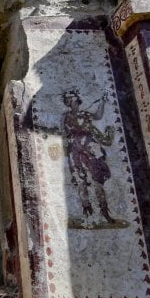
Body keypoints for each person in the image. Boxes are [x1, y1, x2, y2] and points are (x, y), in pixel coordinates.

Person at [60, 89, 122, 226]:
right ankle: (88, 213)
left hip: (90, 148)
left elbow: (99, 116)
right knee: (81, 181)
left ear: (77, 101)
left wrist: (102, 102)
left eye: (74, 100)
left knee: (97, 181)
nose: (72, 103)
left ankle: (105, 213)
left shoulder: (86, 114)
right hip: (75, 150)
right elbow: (63, 134)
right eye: (69, 101)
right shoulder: (66, 116)